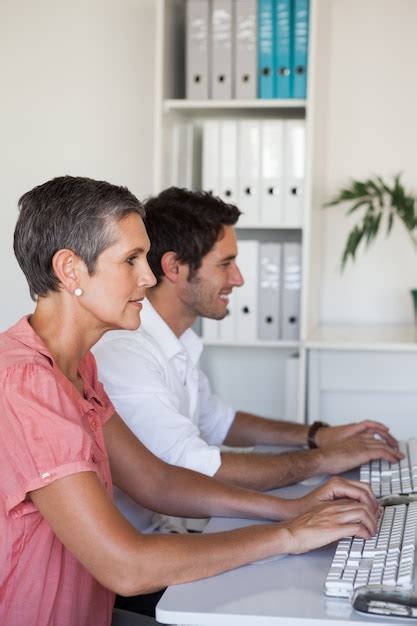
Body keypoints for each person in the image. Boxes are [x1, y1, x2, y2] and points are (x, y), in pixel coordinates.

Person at [0, 176, 380, 626]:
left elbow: (157, 481)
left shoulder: (77, 368)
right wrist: (287, 535)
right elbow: (126, 566)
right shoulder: (26, 382)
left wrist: (290, 509)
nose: (148, 276)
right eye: (131, 259)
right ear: (69, 269)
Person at [93, 187, 401, 535]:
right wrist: (323, 461)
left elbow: (220, 421)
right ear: (174, 267)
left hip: (169, 532)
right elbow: (195, 467)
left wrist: (317, 435)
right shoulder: (126, 350)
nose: (238, 279)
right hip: (143, 554)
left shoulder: (176, 340)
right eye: (225, 264)